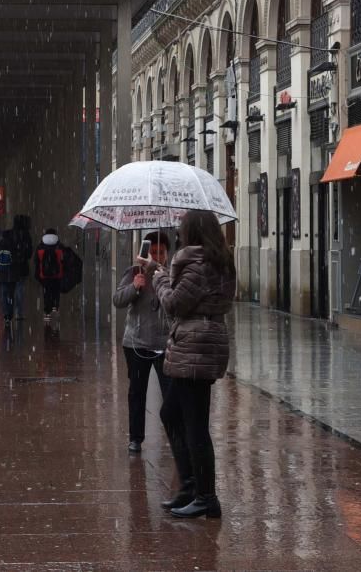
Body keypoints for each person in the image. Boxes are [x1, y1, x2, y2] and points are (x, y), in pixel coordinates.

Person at [146, 210, 236, 520]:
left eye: (183, 229)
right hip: (200, 344)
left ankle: (206, 496)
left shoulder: (199, 266)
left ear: (193, 232)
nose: (179, 234)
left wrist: (158, 278)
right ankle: (189, 486)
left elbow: (173, 304)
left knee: (195, 424)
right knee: (171, 412)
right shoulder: (215, 261)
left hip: (196, 346)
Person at [112, 231, 172, 454]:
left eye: (161, 253)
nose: (156, 256)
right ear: (144, 251)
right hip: (136, 343)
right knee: (137, 392)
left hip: (164, 344)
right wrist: (134, 287)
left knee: (170, 393)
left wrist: (161, 274)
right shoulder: (134, 272)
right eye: (152, 252)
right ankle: (136, 438)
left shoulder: (170, 274)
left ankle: (175, 436)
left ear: (167, 253)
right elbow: (118, 300)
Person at [0, 215, 33, 322]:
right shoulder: (26, 235)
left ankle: (7, 313)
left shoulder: (7, 234)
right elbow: (29, 253)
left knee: (6, 291)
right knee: (19, 289)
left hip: (5, 268)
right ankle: (19, 313)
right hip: (20, 268)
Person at [34, 227, 65, 321]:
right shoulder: (60, 246)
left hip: (44, 274)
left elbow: (36, 261)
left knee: (47, 292)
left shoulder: (40, 247)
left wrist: (38, 274)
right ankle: (55, 307)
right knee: (56, 290)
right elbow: (64, 260)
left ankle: (47, 311)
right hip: (57, 274)